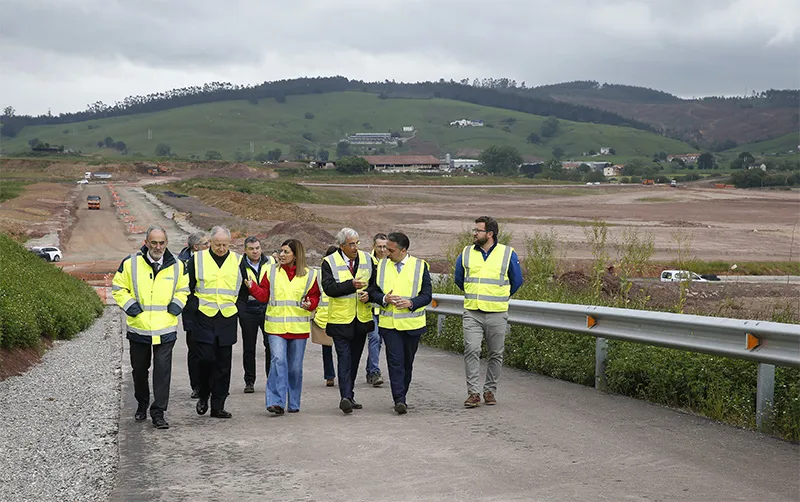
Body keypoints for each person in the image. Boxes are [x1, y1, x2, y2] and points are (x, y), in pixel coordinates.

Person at [112, 225, 189, 429]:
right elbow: (119, 287)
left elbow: (184, 289)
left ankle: (158, 412)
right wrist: (131, 307)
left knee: (162, 371)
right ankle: (142, 404)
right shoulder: (131, 264)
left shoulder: (178, 266)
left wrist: (177, 306)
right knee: (139, 370)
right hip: (139, 328)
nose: (157, 246)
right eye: (153, 242)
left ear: (166, 243)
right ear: (146, 243)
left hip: (166, 328)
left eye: (161, 243)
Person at [454, 216, 523, 408]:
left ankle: (490, 391)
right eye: (474, 230)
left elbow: (517, 281)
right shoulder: (466, 252)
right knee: (472, 349)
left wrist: (499, 296)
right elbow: (459, 278)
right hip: (472, 311)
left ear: (490, 234)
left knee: (495, 353)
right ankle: (473, 393)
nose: (474, 234)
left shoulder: (507, 253)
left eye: (478, 230)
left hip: (497, 312)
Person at [246, 239, 320, 414]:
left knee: (294, 368)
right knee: (278, 361)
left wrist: (310, 304)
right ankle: (276, 402)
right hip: (275, 327)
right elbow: (264, 296)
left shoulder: (310, 275)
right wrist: (253, 288)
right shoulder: (271, 271)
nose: (281, 255)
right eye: (281, 251)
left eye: (286, 252)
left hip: (298, 328)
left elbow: (315, 297)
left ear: (296, 255)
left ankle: (293, 402)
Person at [368, 232, 431, 414]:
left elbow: (427, 295)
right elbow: (372, 291)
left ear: (403, 250)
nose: (386, 252)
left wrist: (411, 303)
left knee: (407, 363)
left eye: (391, 249)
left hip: (413, 326)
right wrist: (384, 298)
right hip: (389, 325)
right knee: (395, 361)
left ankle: (402, 392)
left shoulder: (420, 266)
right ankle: (399, 399)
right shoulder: (380, 266)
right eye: (386, 248)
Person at [187, 225, 242, 419]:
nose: (221, 248)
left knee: (223, 364)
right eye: (217, 244)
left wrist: (238, 310)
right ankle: (203, 393)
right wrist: (191, 316)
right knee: (205, 359)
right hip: (204, 316)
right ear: (210, 242)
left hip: (227, 318)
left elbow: (242, 289)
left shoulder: (237, 260)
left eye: (224, 245)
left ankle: (218, 405)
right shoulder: (197, 259)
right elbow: (188, 288)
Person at [321, 228, 377, 414]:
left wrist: (369, 295)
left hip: (361, 319)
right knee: (344, 358)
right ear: (342, 245)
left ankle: (349, 394)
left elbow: (376, 285)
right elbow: (329, 288)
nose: (355, 247)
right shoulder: (329, 262)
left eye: (357, 243)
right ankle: (345, 397)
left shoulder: (368, 259)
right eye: (351, 244)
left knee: (354, 360)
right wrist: (350, 286)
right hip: (340, 320)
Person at [237, 236, 275, 394]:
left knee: (270, 345)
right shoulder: (239, 265)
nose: (255, 251)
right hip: (248, 308)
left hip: (266, 308)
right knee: (249, 346)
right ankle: (249, 381)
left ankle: (271, 379)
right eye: (251, 249)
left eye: (257, 248)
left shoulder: (271, 262)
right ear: (245, 250)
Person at [178, 231, 210, 399]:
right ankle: (196, 386)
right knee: (195, 350)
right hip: (192, 312)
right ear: (196, 247)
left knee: (210, 350)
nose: (209, 247)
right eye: (206, 244)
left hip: (211, 311)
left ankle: (210, 385)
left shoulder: (210, 260)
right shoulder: (182, 263)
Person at [313, 246, 339, 387]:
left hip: (339, 314)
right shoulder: (319, 274)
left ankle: (336, 375)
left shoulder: (344, 271)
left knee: (340, 349)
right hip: (324, 316)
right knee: (328, 348)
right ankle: (330, 376)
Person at [365, 233, 388, 387]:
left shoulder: (391, 261)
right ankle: (374, 372)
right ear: (373, 246)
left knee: (379, 341)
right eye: (379, 246)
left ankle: (370, 369)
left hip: (386, 308)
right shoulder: (367, 261)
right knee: (374, 338)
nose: (381, 249)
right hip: (370, 308)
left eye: (384, 246)